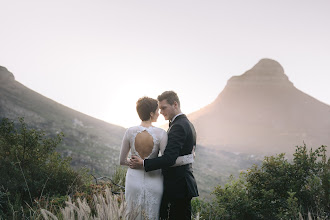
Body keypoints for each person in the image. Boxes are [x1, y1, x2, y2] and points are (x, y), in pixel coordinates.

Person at [119, 96, 194, 220]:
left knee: (132, 214)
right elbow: (167, 161)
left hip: (133, 179)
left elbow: (122, 161)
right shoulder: (161, 133)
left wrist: (134, 163)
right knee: (152, 214)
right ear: (151, 113)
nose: (159, 113)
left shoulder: (130, 131)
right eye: (157, 110)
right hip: (154, 180)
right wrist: (188, 158)